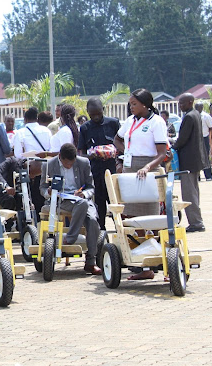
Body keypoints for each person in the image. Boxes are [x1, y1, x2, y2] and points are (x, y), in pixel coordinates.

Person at [113, 89, 169, 280]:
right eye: (130, 104)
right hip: (130, 168)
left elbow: (162, 153)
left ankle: (163, 260)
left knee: (152, 217)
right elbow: (117, 139)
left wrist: (148, 166)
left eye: (134, 104)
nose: (131, 107)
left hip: (147, 169)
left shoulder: (156, 122)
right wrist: (126, 152)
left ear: (145, 104)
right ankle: (145, 267)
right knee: (134, 216)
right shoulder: (130, 121)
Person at [40, 143, 102, 275]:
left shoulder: (83, 163)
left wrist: (83, 194)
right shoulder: (48, 165)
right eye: (66, 164)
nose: (69, 166)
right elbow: (42, 188)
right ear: (60, 157)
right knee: (83, 204)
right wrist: (49, 192)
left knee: (92, 220)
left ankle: (91, 262)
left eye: (71, 164)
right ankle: (72, 238)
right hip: (62, 201)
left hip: (81, 198)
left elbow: (91, 187)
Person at [77, 97, 120, 230]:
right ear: (87, 112)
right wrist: (91, 155)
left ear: (103, 110)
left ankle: (120, 229)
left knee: (115, 202)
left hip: (112, 170)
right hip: (95, 171)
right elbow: (81, 153)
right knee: (99, 204)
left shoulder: (113, 123)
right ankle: (101, 233)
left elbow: (123, 145)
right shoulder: (85, 128)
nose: (96, 117)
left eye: (98, 113)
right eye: (92, 114)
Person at [173, 94, 206, 232]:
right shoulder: (195, 114)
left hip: (188, 161)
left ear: (190, 102)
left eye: (182, 103)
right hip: (195, 159)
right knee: (194, 191)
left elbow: (182, 139)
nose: (180, 106)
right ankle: (197, 221)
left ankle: (196, 223)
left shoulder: (189, 117)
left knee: (189, 193)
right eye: (179, 103)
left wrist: (172, 146)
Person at [12, 107, 52, 214]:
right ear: (37, 118)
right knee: (43, 196)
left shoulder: (21, 132)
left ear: (25, 119)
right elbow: (50, 150)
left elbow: (18, 155)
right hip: (46, 168)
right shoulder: (46, 130)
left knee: (31, 197)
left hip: (30, 170)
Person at [197, 102, 212, 180]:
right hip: (196, 139)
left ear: (202, 107)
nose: (197, 109)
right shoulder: (193, 115)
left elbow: (211, 127)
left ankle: (208, 176)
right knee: (196, 157)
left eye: (199, 107)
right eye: (196, 107)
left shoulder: (206, 116)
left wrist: (205, 134)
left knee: (205, 157)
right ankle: (197, 176)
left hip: (204, 138)